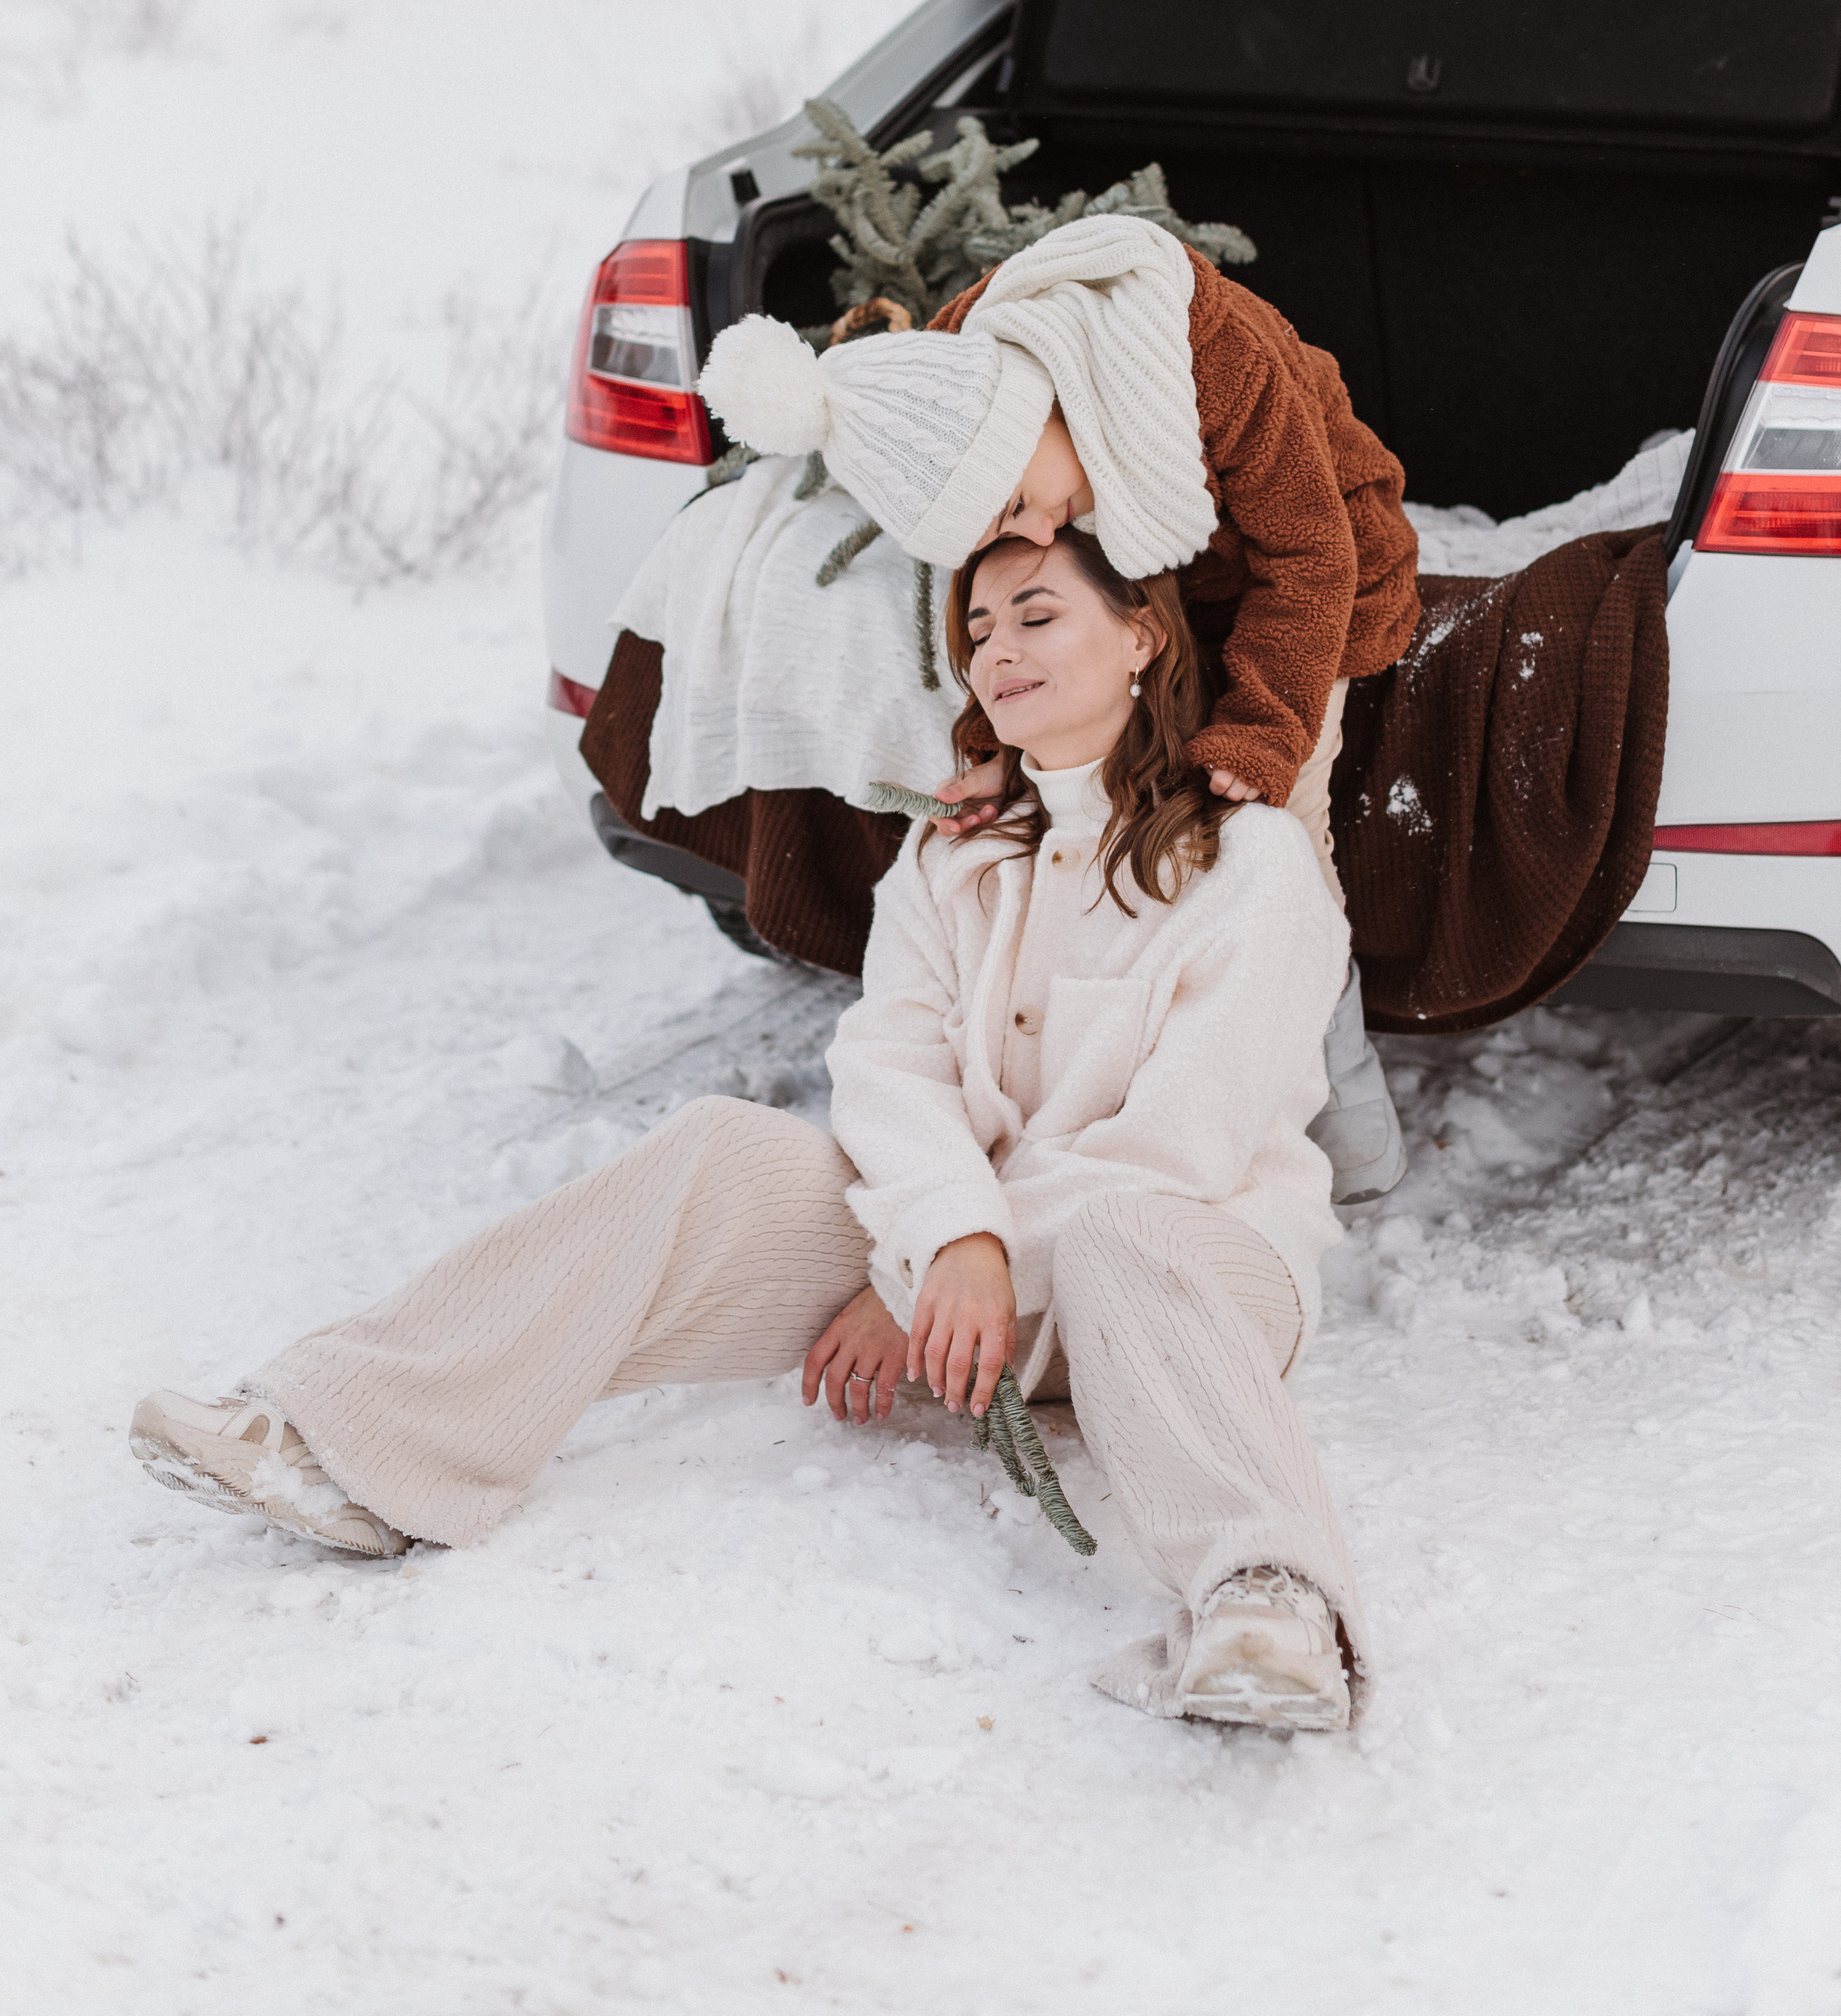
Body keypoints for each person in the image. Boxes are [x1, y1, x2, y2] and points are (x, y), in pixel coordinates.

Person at [130, 527, 1370, 1733]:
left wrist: (933, 1261)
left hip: (1176, 1281)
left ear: (1145, 636)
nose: (998, 648)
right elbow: (890, 1062)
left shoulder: (1248, 862)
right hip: (959, 1286)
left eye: (1038, 615)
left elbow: (1177, 1149)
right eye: (978, 627)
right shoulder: (957, 855)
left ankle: (1268, 1604)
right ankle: (349, 1442)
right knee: (723, 1149)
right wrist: (943, 1238)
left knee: (1121, 1232)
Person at [701, 209, 1418, 1200]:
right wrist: (991, 736)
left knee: (1276, 829)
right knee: (1097, 807)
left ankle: (1345, 1111)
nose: (1034, 528)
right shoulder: (958, 378)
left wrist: (1260, 730)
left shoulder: (1209, 353)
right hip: (1134, 588)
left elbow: (1312, 557)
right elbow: (972, 597)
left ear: (1026, 419)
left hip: (1303, 575)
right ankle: (1113, 1078)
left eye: (1021, 505)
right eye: (1006, 526)